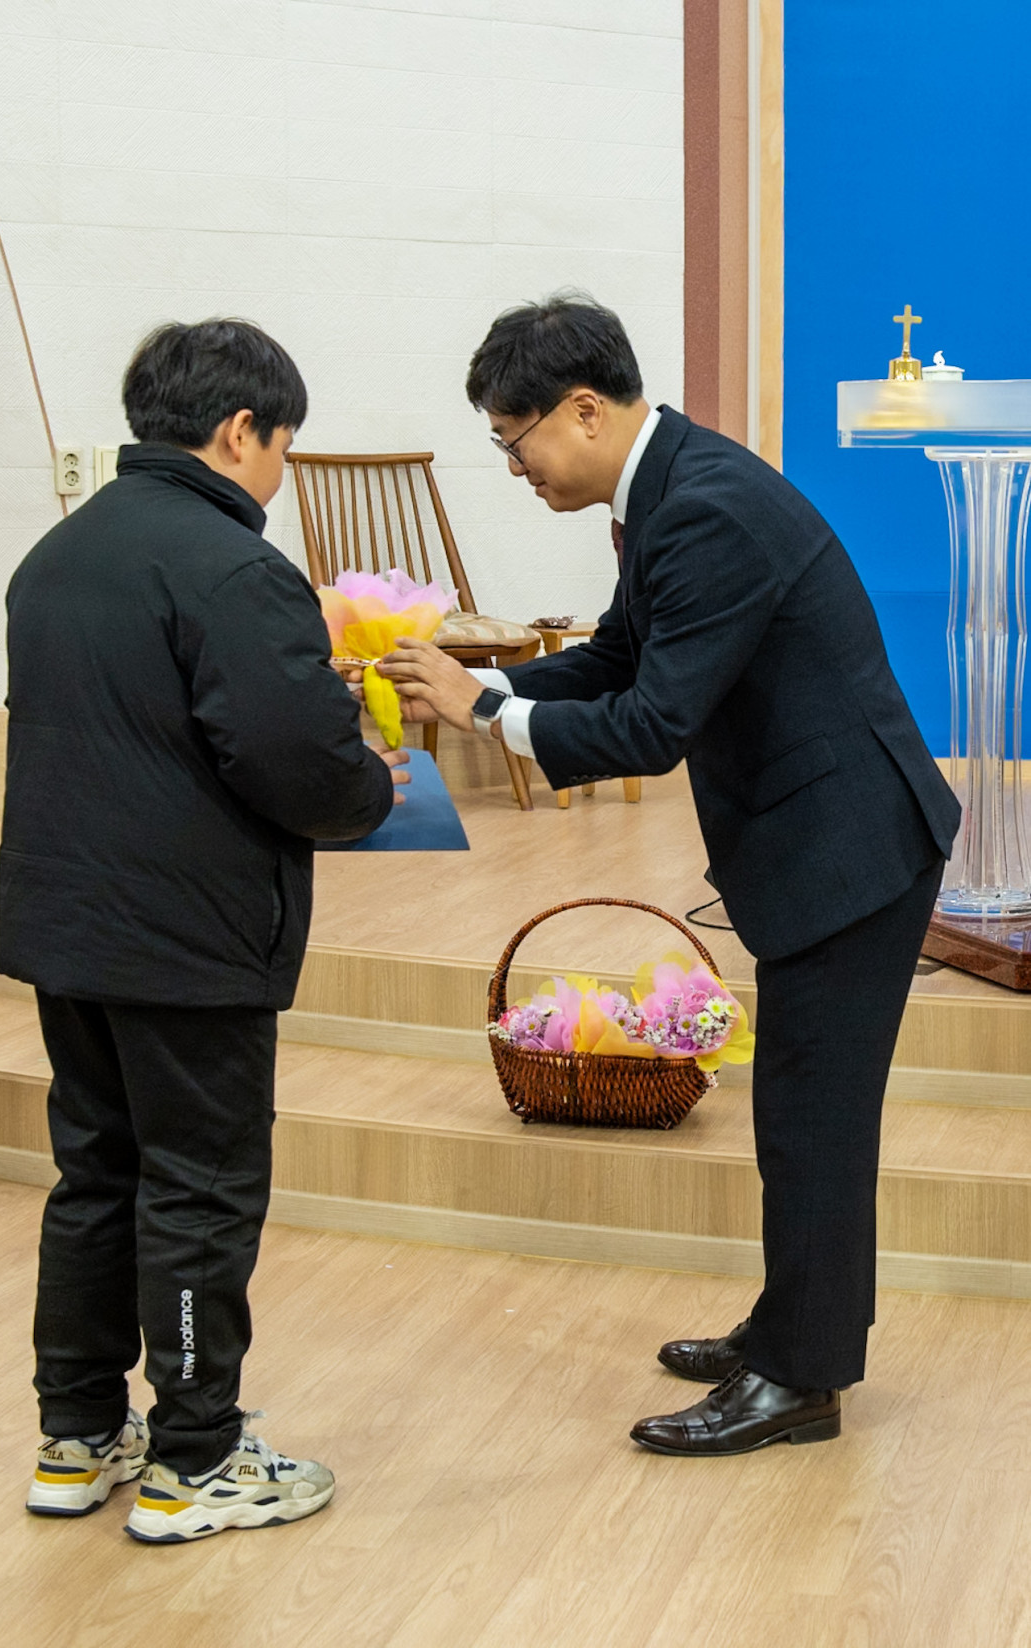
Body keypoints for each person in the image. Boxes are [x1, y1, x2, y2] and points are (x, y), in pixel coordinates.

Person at [379, 294, 960, 1457]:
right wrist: (487, 681)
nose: (515, 470)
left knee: (812, 1119)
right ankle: (788, 1328)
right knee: (798, 1112)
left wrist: (483, 711)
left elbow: (649, 726)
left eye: (514, 442)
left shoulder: (702, 508)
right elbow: (620, 654)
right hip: (821, 834)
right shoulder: (668, 485)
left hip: (849, 846)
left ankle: (798, 1380)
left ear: (582, 411)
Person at [0, 318, 407, 1540]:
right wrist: (372, 783)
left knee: (95, 1174)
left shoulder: (56, 553)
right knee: (199, 1188)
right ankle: (196, 1458)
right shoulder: (232, 567)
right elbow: (297, 767)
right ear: (239, 431)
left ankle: (75, 1436)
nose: (279, 470)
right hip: (186, 939)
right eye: (282, 445)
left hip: (68, 928)